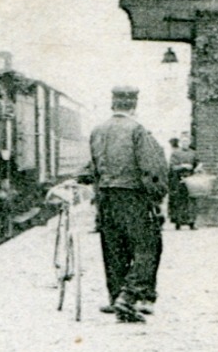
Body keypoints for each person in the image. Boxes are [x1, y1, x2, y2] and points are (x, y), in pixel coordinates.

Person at [81, 86, 168, 323]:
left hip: (105, 198)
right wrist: (157, 196)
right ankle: (130, 295)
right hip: (132, 196)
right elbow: (151, 168)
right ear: (134, 105)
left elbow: (92, 167)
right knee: (148, 246)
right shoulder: (137, 130)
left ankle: (116, 296)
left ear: (113, 104)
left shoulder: (98, 130)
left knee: (114, 248)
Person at [167, 137, 200, 231]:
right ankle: (178, 222)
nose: (185, 143)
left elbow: (197, 164)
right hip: (179, 180)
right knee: (179, 200)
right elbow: (172, 167)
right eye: (183, 142)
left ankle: (191, 222)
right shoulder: (175, 153)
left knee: (191, 201)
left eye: (187, 141)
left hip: (191, 179)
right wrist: (182, 166)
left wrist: (197, 168)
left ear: (189, 142)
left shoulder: (193, 153)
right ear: (180, 143)